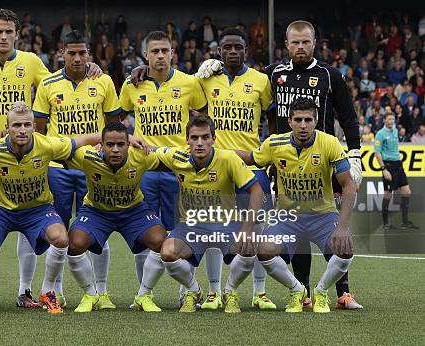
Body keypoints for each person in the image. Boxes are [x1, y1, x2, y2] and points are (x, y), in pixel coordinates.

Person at [199, 20, 363, 310]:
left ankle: (343, 292)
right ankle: (303, 291)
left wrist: (355, 154)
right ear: (286, 45)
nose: (301, 47)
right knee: (296, 229)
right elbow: (243, 87)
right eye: (295, 42)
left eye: (306, 42)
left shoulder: (331, 75)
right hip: (285, 158)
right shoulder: (272, 75)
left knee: (332, 227)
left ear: (315, 43)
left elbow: (348, 118)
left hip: (326, 160)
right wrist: (214, 66)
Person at [0, 9, 103, 310]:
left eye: (9, 31)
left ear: (17, 34)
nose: (4, 36)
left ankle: (25, 291)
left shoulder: (33, 62)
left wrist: (89, 67)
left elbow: (57, 85)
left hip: (28, 151)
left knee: (28, 215)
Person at [0, 102, 102, 315]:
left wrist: (124, 138)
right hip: (1, 209)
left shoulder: (47, 145)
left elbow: (79, 141)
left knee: (61, 238)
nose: (22, 130)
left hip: (38, 210)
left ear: (34, 127)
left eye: (27, 125)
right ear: (7, 127)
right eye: (17, 125)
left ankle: (48, 292)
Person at [235, 97, 356, 313]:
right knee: (264, 249)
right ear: (289, 121)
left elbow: (348, 186)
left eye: (308, 120)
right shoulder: (274, 143)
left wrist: (342, 226)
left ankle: (320, 291)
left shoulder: (330, 143)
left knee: (346, 248)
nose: (303, 125)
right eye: (298, 120)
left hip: (323, 215)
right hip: (287, 217)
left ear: (316, 121)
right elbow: (252, 158)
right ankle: (297, 290)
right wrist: (216, 152)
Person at [33, 30, 121, 309]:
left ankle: (102, 291)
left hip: (94, 167)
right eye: (71, 53)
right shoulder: (48, 83)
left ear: (90, 54)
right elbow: (39, 130)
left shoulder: (104, 81)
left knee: (98, 229)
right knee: (57, 232)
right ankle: (55, 291)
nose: (77, 58)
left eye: (82, 53)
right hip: (58, 167)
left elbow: (113, 125)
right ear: (61, 53)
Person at [118, 30, 207, 301]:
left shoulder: (189, 83)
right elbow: (118, 121)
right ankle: (144, 292)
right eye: (154, 51)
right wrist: (129, 137)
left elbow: (203, 118)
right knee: (142, 234)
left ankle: (187, 292)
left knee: (183, 233)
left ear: (172, 53)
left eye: (164, 51)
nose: (160, 56)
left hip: (177, 171)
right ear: (145, 55)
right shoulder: (131, 85)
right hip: (143, 171)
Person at [195, 27, 277, 310]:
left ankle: (259, 292)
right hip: (216, 168)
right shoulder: (207, 79)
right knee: (214, 233)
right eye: (227, 47)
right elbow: (179, 91)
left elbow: (273, 121)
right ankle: (215, 292)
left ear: (246, 51)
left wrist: (271, 155)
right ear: (219, 51)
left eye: (238, 47)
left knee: (255, 230)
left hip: (251, 166)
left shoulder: (261, 81)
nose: (232, 51)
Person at [155, 114, 264, 313]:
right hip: (191, 225)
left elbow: (257, 191)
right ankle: (193, 290)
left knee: (249, 247)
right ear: (186, 140)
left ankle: (229, 292)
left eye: (205, 137)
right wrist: (129, 141)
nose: (200, 143)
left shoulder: (228, 158)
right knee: (167, 253)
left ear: (214, 139)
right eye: (194, 138)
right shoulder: (176, 157)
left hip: (226, 224)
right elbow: (149, 151)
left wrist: (247, 230)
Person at [63, 121, 168, 312]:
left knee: (162, 242)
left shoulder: (141, 156)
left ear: (129, 145)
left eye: (121, 144)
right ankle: (91, 295)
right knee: (74, 244)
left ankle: (143, 295)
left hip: (134, 211)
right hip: (96, 211)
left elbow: (171, 159)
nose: (115, 150)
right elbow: (56, 150)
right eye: (110, 145)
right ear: (101, 145)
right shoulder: (87, 156)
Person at [374, 113, 418, 230]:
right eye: (389, 119)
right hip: (388, 166)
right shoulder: (380, 134)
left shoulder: (395, 131)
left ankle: (405, 221)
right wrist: (384, 170)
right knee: (388, 194)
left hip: (399, 165)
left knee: (406, 192)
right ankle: (385, 222)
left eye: (393, 119)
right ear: (384, 120)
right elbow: (377, 153)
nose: (392, 121)